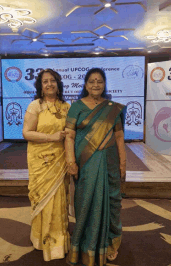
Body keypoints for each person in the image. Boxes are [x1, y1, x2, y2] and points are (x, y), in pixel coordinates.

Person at [64, 68, 127, 266]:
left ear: (104, 84)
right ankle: (85, 245)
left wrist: (123, 163)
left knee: (112, 203)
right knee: (86, 203)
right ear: (85, 85)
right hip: (86, 164)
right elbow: (70, 136)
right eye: (91, 81)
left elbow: (118, 137)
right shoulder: (76, 107)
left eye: (99, 81)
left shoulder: (112, 108)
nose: (95, 85)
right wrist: (71, 162)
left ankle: (110, 243)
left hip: (109, 162)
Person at [22, 68, 70, 261]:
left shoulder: (66, 106)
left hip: (60, 161)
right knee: (44, 200)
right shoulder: (36, 106)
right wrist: (51, 137)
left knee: (59, 200)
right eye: (45, 81)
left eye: (52, 81)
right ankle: (42, 239)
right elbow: (26, 133)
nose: (49, 84)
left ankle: (58, 241)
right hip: (40, 161)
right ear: (40, 87)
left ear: (58, 84)